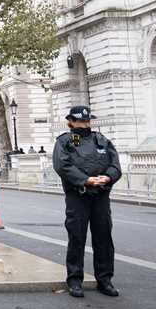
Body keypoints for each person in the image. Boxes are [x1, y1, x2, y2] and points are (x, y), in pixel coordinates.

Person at [52, 105, 121, 299]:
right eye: (80, 121)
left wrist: (107, 177)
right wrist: (85, 180)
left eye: (87, 120)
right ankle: (75, 280)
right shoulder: (65, 141)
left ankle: (105, 279)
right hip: (78, 195)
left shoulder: (101, 140)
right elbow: (62, 165)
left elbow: (115, 164)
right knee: (77, 237)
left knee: (104, 238)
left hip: (100, 194)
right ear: (71, 122)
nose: (84, 124)